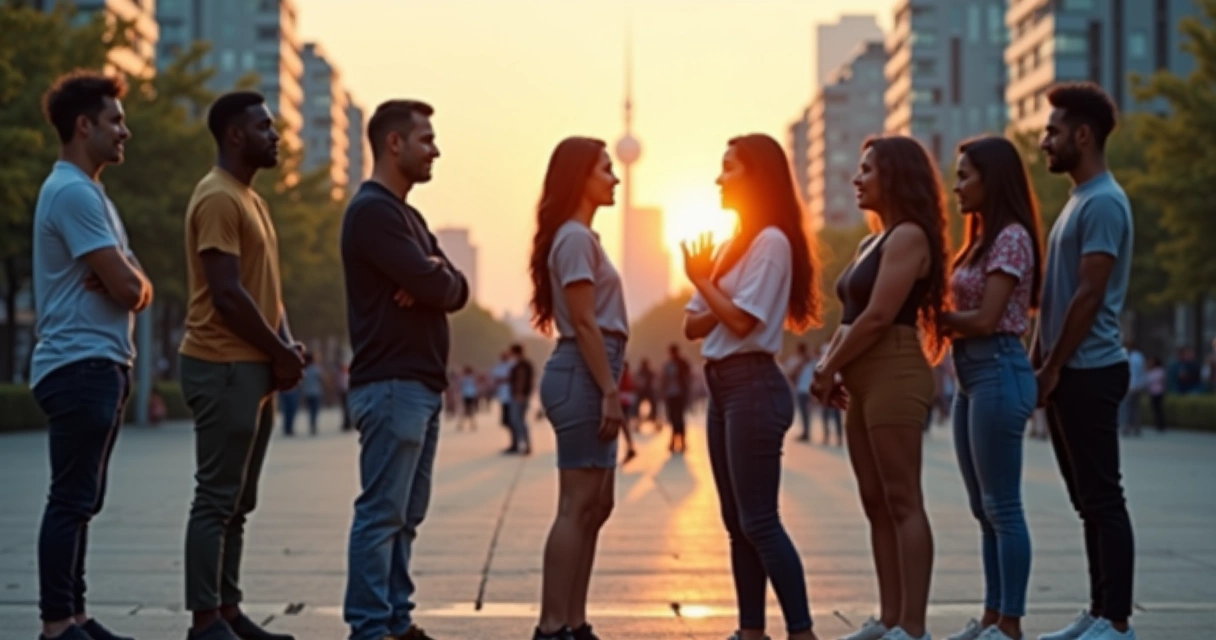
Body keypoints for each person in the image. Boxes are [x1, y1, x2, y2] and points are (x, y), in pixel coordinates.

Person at [683, 133, 822, 640]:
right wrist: (708, 287)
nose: (719, 179)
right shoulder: (727, 246)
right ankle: (750, 631)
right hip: (722, 387)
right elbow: (692, 326)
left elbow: (740, 322)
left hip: (754, 387)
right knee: (736, 522)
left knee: (759, 520)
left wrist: (703, 284)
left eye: (730, 169)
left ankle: (801, 631)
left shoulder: (771, 242)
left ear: (757, 176)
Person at [812, 135, 950, 640]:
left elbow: (876, 317)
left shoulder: (910, 236)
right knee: (874, 500)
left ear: (894, 176)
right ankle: (888, 617)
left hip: (894, 369)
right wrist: (827, 364)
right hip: (862, 374)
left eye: (867, 169)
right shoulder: (871, 240)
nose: (857, 178)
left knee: (902, 498)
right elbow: (850, 320)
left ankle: (912, 627)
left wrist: (829, 370)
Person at [340, 99, 469, 640]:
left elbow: (454, 287)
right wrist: (431, 278)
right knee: (382, 512)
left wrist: (432, 274)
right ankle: (370, 626)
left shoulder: (408, 218)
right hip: (392, 383)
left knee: (406, 514)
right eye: (426, 139)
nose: (435, 149)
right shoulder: (373, 212)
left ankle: (396, 617)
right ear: (395, 143)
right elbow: (439, 284)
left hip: (418, 385)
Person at [30, 70, 152, 640]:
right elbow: (130, 290)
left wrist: (130, 281)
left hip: (99, 362)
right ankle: (58, 625)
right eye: (116, 121)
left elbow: (138, 286)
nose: (125, 132)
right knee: (71, 498)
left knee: (84, 499)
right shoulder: (74, 193)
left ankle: (75, 615)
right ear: (84, 126)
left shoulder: (92, 193)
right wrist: (128, 281)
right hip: (79, 363)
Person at [178, 91, 303, 640]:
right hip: (222, 364)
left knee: (240, 501)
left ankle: (229, 610)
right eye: (264, 127)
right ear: (235, 135)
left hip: (255, 369)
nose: (275, 136)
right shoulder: (216, 197)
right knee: (215, 498)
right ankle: (205, 621)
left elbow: (266, 292)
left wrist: (288, 345)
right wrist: (278, 353)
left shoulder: (253, 201)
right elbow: (227, 295)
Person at [1033, 82, 1137, 640]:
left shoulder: (1102, 202)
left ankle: (1116, 622)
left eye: (1052, 132)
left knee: (1102, 497)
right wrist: (1037, 356)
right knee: (1087, 502)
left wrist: (1052, 368)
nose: (1044, 142)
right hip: (1070, 370)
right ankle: (1099, 612)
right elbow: (1056, 294)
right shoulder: (1078, 201)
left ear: (1083, 134)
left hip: (1090, 369)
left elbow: (1088, 294)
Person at [939, 136, 1044, 640]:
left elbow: (985, 318)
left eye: (964, 176)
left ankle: (1011, 624)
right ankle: (991, 615)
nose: (956, 186)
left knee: (1003, 506)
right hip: (970, 377)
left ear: (991, 178)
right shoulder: (980, 240)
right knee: (983, 507)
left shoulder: (1012, 239)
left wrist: (934, 317)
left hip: (998, 368)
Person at [529, 137, 629, 640]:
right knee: (575, 504)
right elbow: (587, 324)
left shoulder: (583, 237)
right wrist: (609, 390)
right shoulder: (573, 238)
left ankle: (574, 619)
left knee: (597, 505)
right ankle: (551, 626)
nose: (614, 178)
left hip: (595, 368)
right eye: (606, 169)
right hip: (584, 371)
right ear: (580, 178)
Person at [661, 344, 692, 453]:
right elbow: (663, 380)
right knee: (673, 419)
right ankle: (674, 441)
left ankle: (681, 442)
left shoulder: (682, 364)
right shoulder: (667, 365)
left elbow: (688, 378)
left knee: (680, 419)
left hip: (680, 395)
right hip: (670, 396)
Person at [784, 342, 817, 443]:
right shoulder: (807, 362)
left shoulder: (810, 362)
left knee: (805, 413)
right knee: (804, 413)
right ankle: (805, 432)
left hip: (804, 391)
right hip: (803, 390)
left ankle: (806, 433)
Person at [508, 344, 535, 455]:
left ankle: (523, 444)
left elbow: (521, 379)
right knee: (520, 421)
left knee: (518, 421)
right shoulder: (525, 363)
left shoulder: (521, 365)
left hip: (520, 396)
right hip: (523, 395)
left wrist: (519, 393)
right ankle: (523, 444)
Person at [1120, 342, 1146, 437]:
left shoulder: (1129, 357)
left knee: (1126, 407)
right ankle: (1136, 427)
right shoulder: (1140, 356)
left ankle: (1126, 426)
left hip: (1131, 385)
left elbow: (1131, 372)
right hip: (1138, 385)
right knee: (1136, 407)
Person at [301, 353, 324, 436]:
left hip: (307, 393)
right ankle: (313, 425)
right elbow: (322, 379)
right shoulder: (316, 369)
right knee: (315, 410)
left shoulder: (304, 370)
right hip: (316, 392)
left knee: (310, 411)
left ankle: (311, 424)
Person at [1145, 357, 1166, 432]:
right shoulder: (1152, 371)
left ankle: (1161, 424)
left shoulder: (1159, 371)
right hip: (1153, 392)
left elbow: (1150, 380)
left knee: (1158, 409)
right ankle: (1157, 424)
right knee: (1155, 409)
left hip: (1158, 392)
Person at [458, 365, 480, 431]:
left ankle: (464, 424)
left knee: (467, 410)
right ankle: (472, 424)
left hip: (468, 394)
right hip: (470, 394)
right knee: (469, 410)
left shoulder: (465, 378)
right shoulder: (471, 378)